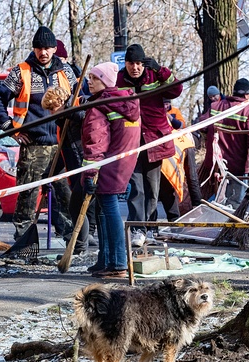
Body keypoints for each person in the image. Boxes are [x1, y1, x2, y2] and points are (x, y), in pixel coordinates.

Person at [0, 26, 78, 240]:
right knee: (27, 196)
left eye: (47, 48)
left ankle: (72, 239)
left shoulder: (66, 72)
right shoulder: (21, 72)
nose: (43, 52)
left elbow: (78, 100)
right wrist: (10, 128)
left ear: (55, 49)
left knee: (66, 195)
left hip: (62, 144)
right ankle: (24, 240)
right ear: (34, 49)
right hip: (32, 145)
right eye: (39, 48)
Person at [116, 43, 183, 246]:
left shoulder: (154, 75)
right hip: (131, 142)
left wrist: (161, 71)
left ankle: (151, 229)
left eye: (138, 63)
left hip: (155, 141)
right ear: (126, 64)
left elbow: (176, 89)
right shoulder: (120, 79)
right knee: (136, 188)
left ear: (144, 63)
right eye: (131, 63)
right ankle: (138, 229)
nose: (135, 68)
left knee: (153, 189)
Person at [81, 62, 141, 279]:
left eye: (94, 78)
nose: (90, 82)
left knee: (110, 210)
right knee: (105, 211)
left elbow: (96, 143)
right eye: (89, 77)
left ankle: (117, 263)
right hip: (124, 164)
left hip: (108, 165)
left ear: (105, 81)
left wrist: (89, 173)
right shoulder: (127, 102)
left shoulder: (100, 106)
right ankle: (106, 259)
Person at [41, 86, 95, 254]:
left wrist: (70, 113)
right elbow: (62, 152)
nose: (51, 113)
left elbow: (86, 117)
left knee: (78, 207)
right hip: (76, 171)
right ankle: (80, 247)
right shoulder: (61, 123)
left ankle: (80, 248)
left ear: (61, 101)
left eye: (53, 108)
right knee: (77, 207)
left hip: (88, 168)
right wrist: (49, 174)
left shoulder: (80, 103)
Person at [202, 78, 249, 207]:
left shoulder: (215, 106)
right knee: (234, 204)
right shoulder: (248, 111)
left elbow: (202, 127)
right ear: (247, 95)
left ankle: (211, 216)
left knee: (216, 198)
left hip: (216, 164)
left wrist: (209, 142)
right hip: (237, 166)